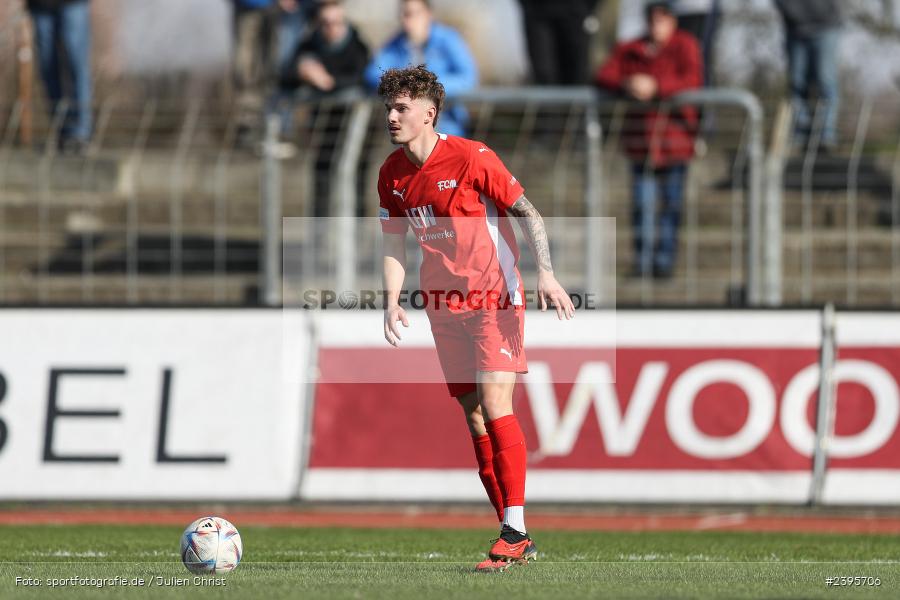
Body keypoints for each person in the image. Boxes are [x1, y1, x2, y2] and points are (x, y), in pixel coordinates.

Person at [377, 65, 575, 572]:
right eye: (389, 108)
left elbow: (527, 211)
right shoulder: (391, 175)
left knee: (495, 402)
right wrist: (392, 299)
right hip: (443, 306)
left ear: (429, 112)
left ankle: (514, 529)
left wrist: (547, 275)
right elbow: (394, 241)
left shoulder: (471, 155)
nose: (392, 116)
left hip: (494, 298)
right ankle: (514, 532)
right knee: (474, 418)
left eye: (402, 108)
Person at [595, 0, 702, 279]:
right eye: (653, 18)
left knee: (671, 206)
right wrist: (628, 83)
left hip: (675, 143)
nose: (657, 24)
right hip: (641, 144)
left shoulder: (685, 45)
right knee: (642, 206)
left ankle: (664, 264)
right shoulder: (631, 49)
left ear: (672, 21)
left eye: (663, 18)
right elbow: (604, 73)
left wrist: (656, 88)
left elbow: (693, 80)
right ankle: (641, 263)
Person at [278, 0, 369, 217]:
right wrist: (302, 71)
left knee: (356, 179)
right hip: (323, 124)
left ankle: (356, 237)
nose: (332, 28)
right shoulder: (310, 45)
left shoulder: (357, 45)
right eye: (326, 23)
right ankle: (319, 238)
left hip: (354, 124)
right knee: (321, 178)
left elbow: (364, 77)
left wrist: (329, 82)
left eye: (337, 22)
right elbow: (285, 76)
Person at [364, 0, 477, 138]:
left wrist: (425, 88)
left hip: (448, 125)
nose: (407, 20)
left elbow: (467, 77)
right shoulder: (395, 44)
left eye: (414, 13)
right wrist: (402, 86)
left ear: (428, 14)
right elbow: (372, 74)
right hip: (408, 128)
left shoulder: (448, 39)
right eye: (404, 14)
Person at [774, 0, 842, 150]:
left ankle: (826, 135)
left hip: (826, 26)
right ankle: (800, 134)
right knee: (796, 83)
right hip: (795, 29)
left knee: (826, 81)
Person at [26, 0, 93, 153]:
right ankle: (62, 132)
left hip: (74, 3)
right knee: (46, 66)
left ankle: (80, 134)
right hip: (40, 6)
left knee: (76, 64)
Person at [229, 0, 281, 148]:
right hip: (246, 7)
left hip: (277, 9)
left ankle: (276, 125)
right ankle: (248, 125)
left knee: (275, 68)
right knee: (244, 71)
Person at [517, 0, 601, 85]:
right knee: (544, 74)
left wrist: (585, 8)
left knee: (577, 72)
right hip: (537, 13)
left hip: (575, 13)